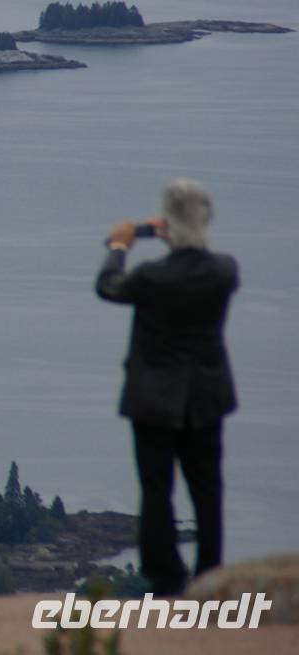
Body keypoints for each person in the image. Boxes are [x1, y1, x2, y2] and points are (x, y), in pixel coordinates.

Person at [96, 178, 239, 595]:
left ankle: (166, 578)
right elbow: (196, 263)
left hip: (153, 398)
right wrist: (180, 236)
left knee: (157, 489)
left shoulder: (151, 277)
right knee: (207, 488)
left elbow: (109, 286)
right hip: (206, 397)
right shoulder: (224, 271)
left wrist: (119, 246)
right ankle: (210, 575)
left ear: (167, 224)